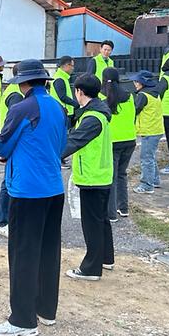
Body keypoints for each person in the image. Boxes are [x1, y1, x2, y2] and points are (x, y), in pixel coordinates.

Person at [0, 59, 66, 336]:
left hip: (27, 191)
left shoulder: (22, 108)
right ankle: (46, 310)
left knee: (23, 253)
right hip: (53, 188)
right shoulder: (58, 107)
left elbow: (3, 145)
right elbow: (60, 146)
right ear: (44, 81)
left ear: (23, 83)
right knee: (48, 250)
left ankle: (22, 319)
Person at [61, 73, 113, 281]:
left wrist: (48, 155)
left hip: (92, 177)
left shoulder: (92, 118)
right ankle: (106, 258)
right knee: (102, 220)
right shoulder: (98, 111)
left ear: (79, 92)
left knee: (92, 223)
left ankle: (91, 268)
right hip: (101, 174)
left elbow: (74, 141)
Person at [101, 68, 136, 222]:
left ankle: (111, 214)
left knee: (112, 178)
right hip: (130, 139)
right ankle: (123, 208)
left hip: (113, 142)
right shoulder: (130, 96)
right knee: (122, 174)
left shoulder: (103, 97)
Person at [0, 64, 24, 238]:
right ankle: (3, 222)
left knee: (10, 181)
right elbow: (14, 123)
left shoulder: (14, 91)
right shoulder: (15, 95)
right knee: (7, 183)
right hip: (11, 142)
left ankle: (8, 219)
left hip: (10, 140)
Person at [132, 70, 164, 194]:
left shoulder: (143, 95)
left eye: (136, 81)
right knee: (150, 156)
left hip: (149, 130)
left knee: (146, 158)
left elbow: (135, 110)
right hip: (157, 129)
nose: (135, 83)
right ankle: (155, 180)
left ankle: (147, 185)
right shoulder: (155, 93)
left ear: (142, 83)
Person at [49, 55, 80, 122]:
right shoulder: (59, 78)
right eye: (71, 65)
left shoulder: (63, 77)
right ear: (66, 65)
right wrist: (76, 104)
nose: (73, 68)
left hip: (63, 112)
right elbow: (62, 97)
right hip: (63, 113)